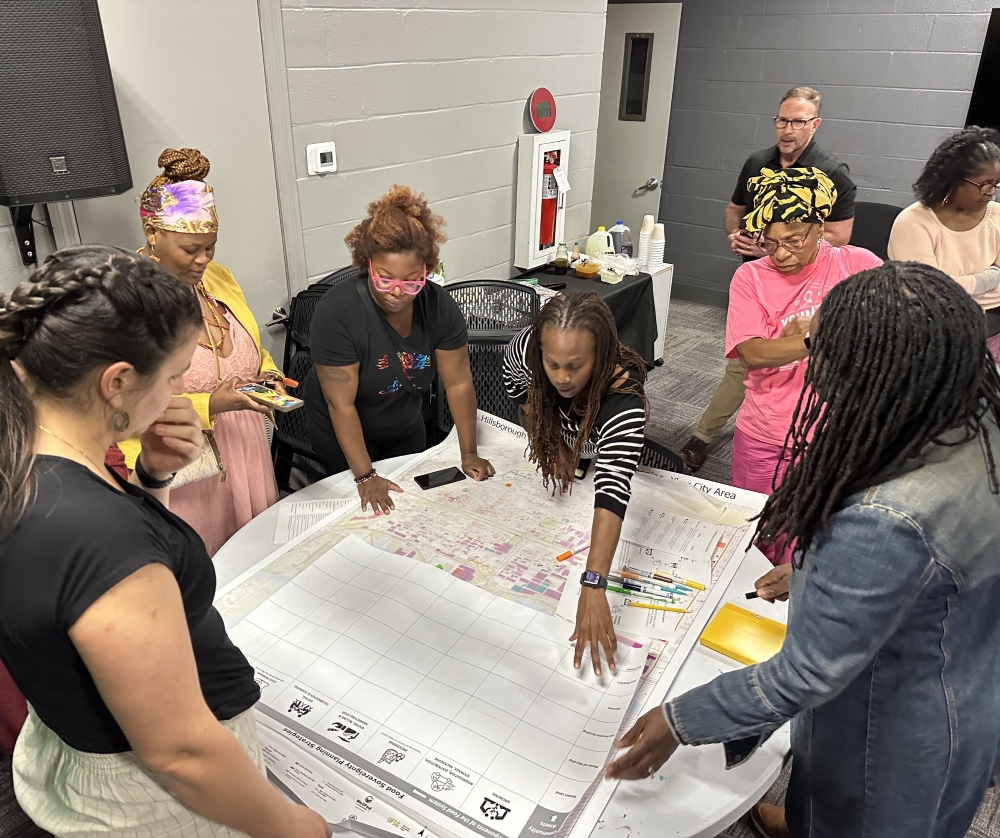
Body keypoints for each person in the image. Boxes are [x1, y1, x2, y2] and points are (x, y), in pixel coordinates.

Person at [606, 262, 1000, 838]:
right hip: (968, 681)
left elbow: (805, 675)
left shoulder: (883, 518)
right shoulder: (975, 417)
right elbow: (930, 561)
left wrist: (678, 720)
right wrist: (820, 565)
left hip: (895, 732)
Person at [0, 245, 328, 838]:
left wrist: (151, 477)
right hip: (153, 802)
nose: (180, 394)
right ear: (118, 382)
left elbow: (93, 582)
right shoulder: (92, 530)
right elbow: (180, 752)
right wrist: (289, 826)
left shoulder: (30, 457)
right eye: (175, 377)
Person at [680, 86, 857, 472]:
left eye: (798, 121)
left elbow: (841, 235)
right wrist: (740, 236)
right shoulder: (757, 161)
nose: (787, 129)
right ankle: (705, 433)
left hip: (809, 281)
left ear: (815, 124)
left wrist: (790, 244)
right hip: (760, 277)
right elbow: (734, 208)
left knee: (799, 372)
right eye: (782, 119)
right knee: (746, 364)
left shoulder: (831, 171)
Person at [120, 148, 282, 556]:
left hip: (245, 448)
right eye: (190, 249)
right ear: (152, 233)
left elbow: (250, 345)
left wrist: (268, 373)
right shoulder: (128, 302)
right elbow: (122, 405)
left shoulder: (218, 277)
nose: (203, 259)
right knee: (205, 567)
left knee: (254, 558)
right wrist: (210, 402)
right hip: (185, 461)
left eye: (210, 246)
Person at [305, 185, 494, 513]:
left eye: (411, 281)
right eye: (385, 279)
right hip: (345, 431)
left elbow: (458, 383)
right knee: (362, 511)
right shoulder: (337, 311)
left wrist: (469, 453)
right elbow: (341, 406)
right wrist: (365, 477)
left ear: (426, 270)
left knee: (410, 508)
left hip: (403, 423)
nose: (397, 292)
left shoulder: (439, 308)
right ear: (368, 265)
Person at [725, 168, 881, 565]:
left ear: (820, 228)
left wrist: (825, 326)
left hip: (835, 436)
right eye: (770, 241)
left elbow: (898, 323)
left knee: (814, 544)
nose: (779, 254)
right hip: (767, 433)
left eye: (793, 241)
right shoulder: (751, 277)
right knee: (757, 539)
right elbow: (753, 352)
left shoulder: (857, 265)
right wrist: (813, 340)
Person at [503, 292, 647, 676]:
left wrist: (594, 581)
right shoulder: (526, 349)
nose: (562, 377)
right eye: (553, 365)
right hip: (566, 439)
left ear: (600, 357)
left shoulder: (624, 400)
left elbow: (614, 486)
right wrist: (549, 438)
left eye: (575, 366)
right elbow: (519, 388)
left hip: (599, 443)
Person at [888, 126, 1000, 358]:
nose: (991, 192)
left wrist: (961, 285)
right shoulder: (914, 222)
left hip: (991, 322)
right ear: (953, 180)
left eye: (997, 184)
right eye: (985, 184)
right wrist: (990, 277)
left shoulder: (997, 216)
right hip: (928, 328)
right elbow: (932, 292)